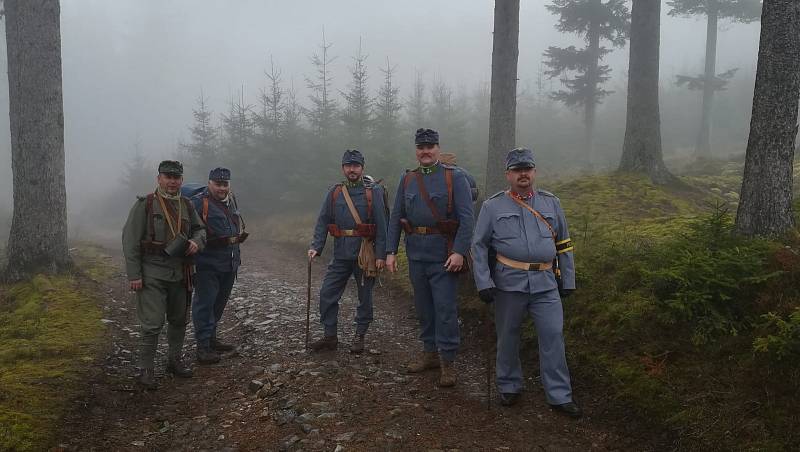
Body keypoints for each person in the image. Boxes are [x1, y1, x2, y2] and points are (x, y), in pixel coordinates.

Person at [471, 147, 581, 417]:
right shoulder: (492, 206)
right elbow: (479, 246)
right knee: (508, 336)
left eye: (527, 169)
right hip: (509, 283)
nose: (523, 174)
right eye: (517, 170)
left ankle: (559, 395)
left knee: (553, 336)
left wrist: (568, 279)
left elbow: (564, 244)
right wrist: (483, 282)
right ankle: (509, 385)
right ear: (508, 174)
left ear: (534, 172)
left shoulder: (551, 203)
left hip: (546, 283)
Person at [385, 128, 474, 387]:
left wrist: (459, 251)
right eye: (421, 147)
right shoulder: (408, 179)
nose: (425, 151)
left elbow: (467, 218)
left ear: (438, 148)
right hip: (416, 254)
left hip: (444, 255)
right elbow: (395, 218)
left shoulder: (453, 178)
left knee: (445, 309)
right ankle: (429, 353)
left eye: (430, 146)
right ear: (416, 150)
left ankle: (448, 362)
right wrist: (390, 252)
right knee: (423, 308)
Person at [122, 160, 206, 389]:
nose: (172, 181)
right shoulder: (145, 204)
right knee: (152, 323)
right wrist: (134, 275)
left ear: (181, 180)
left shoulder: (187, 205)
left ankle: (174, 361)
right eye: (167, 177)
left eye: (176, 177)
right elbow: (130, 242)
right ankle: (145, 369)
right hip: (152, 272)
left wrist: (196, 242)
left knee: (179, 319)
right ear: (159, 178)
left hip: (181, 272)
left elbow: (200, 229)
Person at [307, 150, 388, 353]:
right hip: (341, 253)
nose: (352, 169)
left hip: (365, 254)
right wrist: (316, 246)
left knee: (365, 297)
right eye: (348, 166)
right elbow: (323, 220)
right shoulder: (334, 192)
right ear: (343, 168)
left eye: (355, 166)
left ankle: (360, 335)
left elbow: (382, 224)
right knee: (327, 293)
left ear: (362, 168)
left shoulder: (373, 191)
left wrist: (381, 255)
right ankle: (330, 336)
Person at [189, 167, 247, 364]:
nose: (222, 188)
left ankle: (212, 338)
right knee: (204, 304)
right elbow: (189, 229)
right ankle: (203, 347)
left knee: (219, 303)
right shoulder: (198, 203)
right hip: (207, 263)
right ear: (209, 183)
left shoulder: (231, 200)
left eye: (225, 184)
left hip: (230, 262)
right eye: (218, 184)